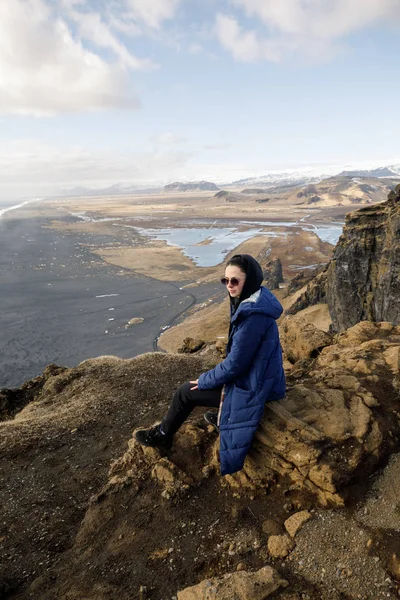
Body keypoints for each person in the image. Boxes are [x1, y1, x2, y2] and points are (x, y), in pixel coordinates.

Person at [134, 254, 286, 476]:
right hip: (261, 379)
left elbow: (235, 365)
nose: (229, 286)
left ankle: (162, 437)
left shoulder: (252, 317)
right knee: (205, 382)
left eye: (235, 281)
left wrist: (205, 380)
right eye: (226, 280)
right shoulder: (255, 301)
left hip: (254, 386)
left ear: (250, 280)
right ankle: (224, 415)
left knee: (186, 392)